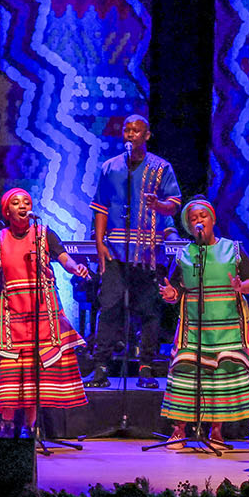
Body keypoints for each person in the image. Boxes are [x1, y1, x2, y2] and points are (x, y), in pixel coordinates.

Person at [0, 189, 93, 439]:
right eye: (16, 203)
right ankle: (6, 427)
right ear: (7, 211)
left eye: (26, 202)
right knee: (10, 371)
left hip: (43, 314)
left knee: (35, 373)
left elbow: (64, 258)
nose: (23, 206)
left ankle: (31, 428)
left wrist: (75, 268)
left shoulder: (43, 233)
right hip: (12, 315)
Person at [156, 198, 249, 448]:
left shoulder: (233, 249)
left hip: (227, 327)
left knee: (221, 378)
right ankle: (179, 430)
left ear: (213, 220)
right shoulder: (184, 254)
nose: (198, 221)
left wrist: (240, 287)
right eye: (193, 219)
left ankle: (216, 431)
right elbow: (176, 288)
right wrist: (172, 295)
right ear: (189, 227)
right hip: (193, 329)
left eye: (203, 216)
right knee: (186, 375)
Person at [90, 115, 183, 388]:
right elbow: (100, 207)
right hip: (116, 251)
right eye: (127, 130)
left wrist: (159, 205)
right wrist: (99, 243)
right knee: (109, 307)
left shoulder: (161, 167)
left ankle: (146, 367)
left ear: (147, 135)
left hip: (148, 253)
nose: (130, 135)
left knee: (149, 311)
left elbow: (174, 205)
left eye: (136, 130)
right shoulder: (110, 167)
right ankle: (101, 366)